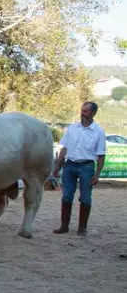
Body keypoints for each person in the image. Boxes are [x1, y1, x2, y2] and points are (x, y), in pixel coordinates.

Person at [52, 101, 106, 236]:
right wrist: (57, 166)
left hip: (87, 167)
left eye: (86, 111)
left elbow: (101, 155)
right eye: (82, 111)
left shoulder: (99, 131)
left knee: (86, 198)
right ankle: (64, 226)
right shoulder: (72, 128)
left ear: (93, 113)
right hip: (69, 166)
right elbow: (64, 148)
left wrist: (97, 174)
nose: (82, 113)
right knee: (66, 197)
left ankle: (82, 228)